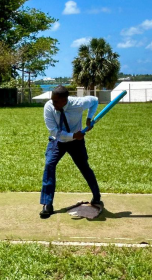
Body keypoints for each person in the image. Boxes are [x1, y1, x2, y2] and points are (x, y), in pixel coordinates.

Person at [39, 86, 102, 219]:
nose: (53, 103)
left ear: (65, 100)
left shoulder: (78, 104)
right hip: (57, 141)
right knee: (49, 165)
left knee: (84, 167)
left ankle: (96, 197)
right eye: (52, 100)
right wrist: (73, 135)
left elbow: (95, 100)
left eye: (56, 101)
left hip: (76, 143)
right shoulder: (49, 107)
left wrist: (89, 118)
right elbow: (54, 131)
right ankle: (47, 204)